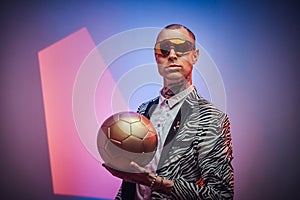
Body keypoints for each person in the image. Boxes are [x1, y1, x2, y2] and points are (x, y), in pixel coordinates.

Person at [102, 24, 234, 199]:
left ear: (195, 56)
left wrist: (156, 182)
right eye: (164, 50)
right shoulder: (143, 110)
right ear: (156, 57)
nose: (172, 55)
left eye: (181, 48)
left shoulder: (211, 119)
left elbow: (221, 195)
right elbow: (132, 181)